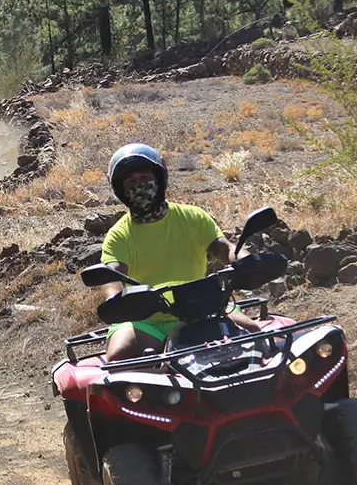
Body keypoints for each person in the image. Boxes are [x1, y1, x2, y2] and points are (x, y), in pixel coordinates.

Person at [100, 143, 262, 362]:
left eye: (144, 177)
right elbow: (112, 278)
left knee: (254, 333)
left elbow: (225, 249)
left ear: (159, 177)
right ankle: (154, 395)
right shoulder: (118, 236)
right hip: (148, 321)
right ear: (121, 190)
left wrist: (246, 260)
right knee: (119, 356)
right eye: (131, 181)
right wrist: (116, 299)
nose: (139, 185)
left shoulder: (193, 217)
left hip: (203, 309)